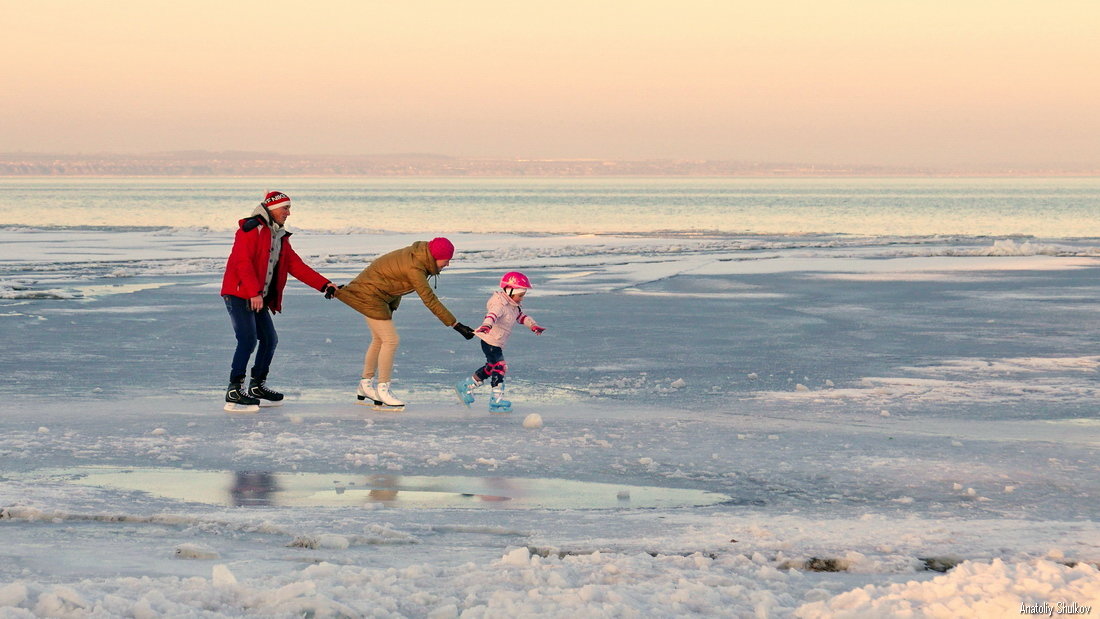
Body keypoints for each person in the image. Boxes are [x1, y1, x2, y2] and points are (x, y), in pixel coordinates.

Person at [220, 191, 337, 412]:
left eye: (289, 208)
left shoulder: (279, 236)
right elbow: (241, 262)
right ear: (273, 208)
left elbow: (297, 266)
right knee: (247, 339)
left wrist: (325, 284)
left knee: (269, 339)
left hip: (257, 296)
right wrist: (254, 292)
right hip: (239, 293)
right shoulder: (250, 229)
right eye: (285, 208)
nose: (288, 213)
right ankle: (234, 389)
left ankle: (257, 386)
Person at [333, 237, 475, 409]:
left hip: (375, 295)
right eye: (447, 260)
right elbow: (430, 300)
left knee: (379, 340)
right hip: (370, 296)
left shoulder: (418, 257)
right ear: (436, 256)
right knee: (391, 340)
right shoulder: (415, 267)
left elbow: (392, 279)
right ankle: (383, 389)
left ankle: (365, 384)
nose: (448, 264)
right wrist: (456, 325)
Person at [454, 271, 546, 413]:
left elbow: (521, 317)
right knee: (500, 367)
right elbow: (492, 315)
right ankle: (495, 401)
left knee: (491, 368)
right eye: (520, 295)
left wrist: (532, 325)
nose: (521, 299)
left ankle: (466, 386)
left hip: (495, 341)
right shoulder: (500, 304)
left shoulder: (512, 306)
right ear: (509, 291)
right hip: (490, 340)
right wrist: (487, 325)